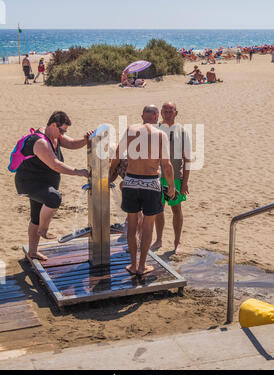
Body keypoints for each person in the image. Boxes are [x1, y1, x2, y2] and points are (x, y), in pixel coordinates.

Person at [15, 111, 92, 261]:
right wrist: (78, 172)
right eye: (61, 130)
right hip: (29, 182)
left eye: (65, 131)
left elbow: (71, 144)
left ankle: (32, 252)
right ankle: (43, 230)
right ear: (52, 125)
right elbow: (55, 165)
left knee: (36, 217)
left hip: (42, 183)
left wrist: (85, 139)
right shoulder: (41, 142)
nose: (63, 133)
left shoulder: (55, 136)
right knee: (54, 198)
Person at [109, 105, 175, 276]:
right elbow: (166, 166)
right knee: (147, 226)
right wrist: (172, 187)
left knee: (132, 226)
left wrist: (110, 174)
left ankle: (132, 264)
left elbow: (117, 155)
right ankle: (142, 265)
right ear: (156, 117)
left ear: (142, 116)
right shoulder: (161, 135)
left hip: (130, 181)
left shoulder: (131, 130)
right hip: (151, 183)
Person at [151, 102, 191, 255]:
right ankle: (159, 239)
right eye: (165, 110)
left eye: (171, 111)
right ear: (160, 112)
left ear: (176, 112)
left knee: (176, 209)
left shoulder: (182, 131)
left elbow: (187, 159)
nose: (168, 113)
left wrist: (185, 182)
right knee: (158, 209)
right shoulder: (155, 129)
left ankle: (177, 241)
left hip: (175, 178)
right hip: (156, 176)